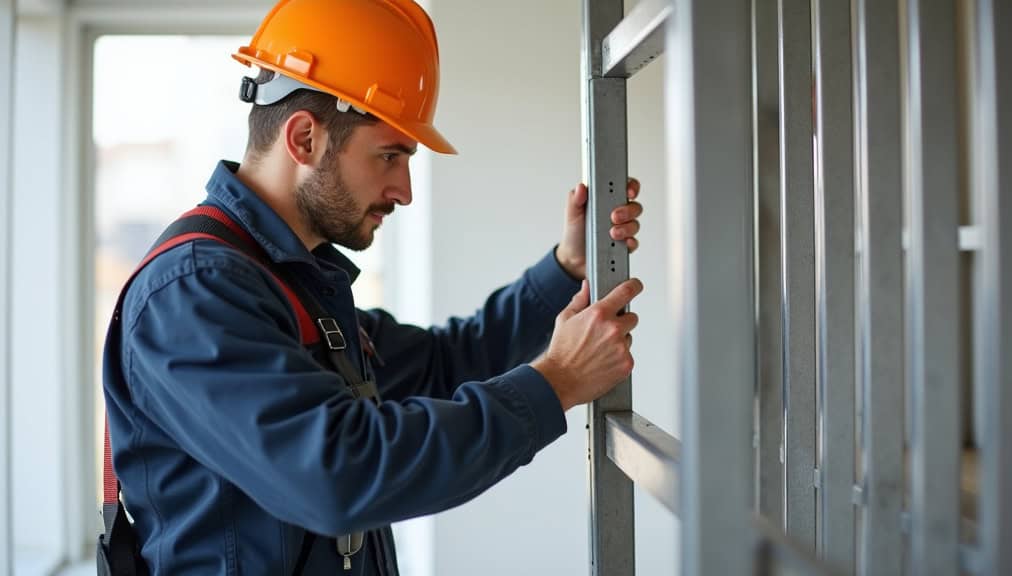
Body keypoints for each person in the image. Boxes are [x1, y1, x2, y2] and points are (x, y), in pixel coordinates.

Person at [102, 0, 645, 573]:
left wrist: (564, 268)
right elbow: (337, 475)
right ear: (304, 139)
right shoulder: (195, 294)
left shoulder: (287, 279)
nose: (404, 190)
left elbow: (439, 365)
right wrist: (555, 383)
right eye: (390, 155)